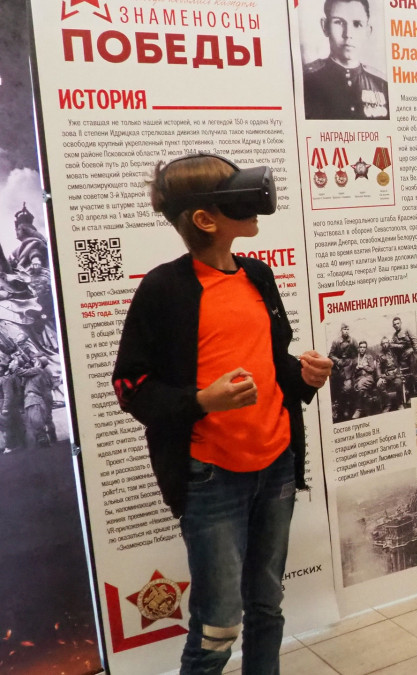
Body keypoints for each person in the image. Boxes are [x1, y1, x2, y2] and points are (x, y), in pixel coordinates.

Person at [111, 154, 332, 674]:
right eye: (236, 194)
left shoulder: (258, 275)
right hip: (211, 478)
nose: (255, 200)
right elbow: (130, 386)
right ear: (205, 219)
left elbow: (272, 360)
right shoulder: (163, 289)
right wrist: (200, 402)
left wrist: (303, 375)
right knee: (218, 626)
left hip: (276, 465)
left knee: (267, 605)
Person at [303, 0, 389, 120]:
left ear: (367, 31)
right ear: (325, 26)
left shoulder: (382, 85)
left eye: (357, 24)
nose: (348, 34)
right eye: (338, 22)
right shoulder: (305, 80)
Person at [328, 323, 357, 420]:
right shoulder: (336, 341)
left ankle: (348, 408)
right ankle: (339, 407)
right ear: (341, 330)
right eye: (344, 329)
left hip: (350, 366)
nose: (346, 331)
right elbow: (331, 355)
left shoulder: (353, 341)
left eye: (347, 329)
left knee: (348, 386)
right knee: (336, 384)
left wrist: (353, 362)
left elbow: (358, 353)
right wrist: (338, 361)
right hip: (340, 366)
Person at [351, 339, 378, 418]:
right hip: (359, 378)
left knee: (360, 386)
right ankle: (367, 409)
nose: (362, 349)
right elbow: (353, 372)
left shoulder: (369, 357)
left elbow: (372, 369)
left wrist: (364, 366)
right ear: (358, 348)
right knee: (362, 389)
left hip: (368, 377)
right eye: (361, 347)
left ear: (366, 348)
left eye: (364, 347)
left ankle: (358, 409)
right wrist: (356, 369)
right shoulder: (356, 359)